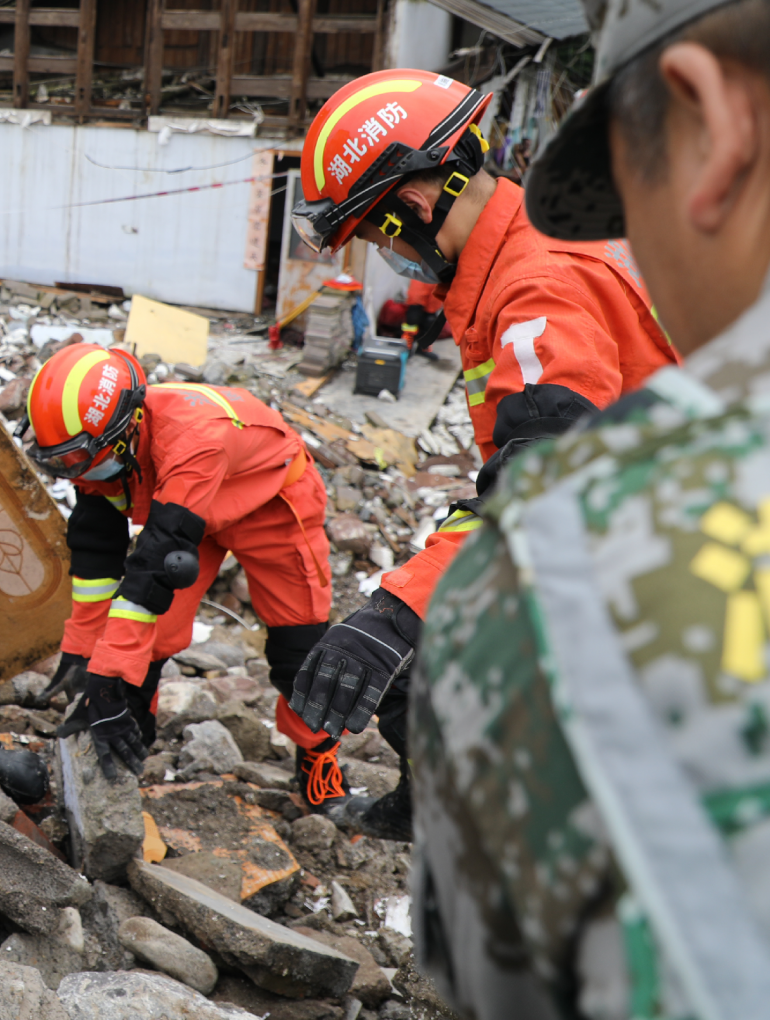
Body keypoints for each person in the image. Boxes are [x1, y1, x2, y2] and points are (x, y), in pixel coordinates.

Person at [410, 0, 770, 1011]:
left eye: (633, 195)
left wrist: (416, 610)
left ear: (710, 125)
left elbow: (536, 474)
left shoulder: (581, 589)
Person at [283, 66, 677, 840]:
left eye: (375, 234)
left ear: (412, 205)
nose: (383, 253)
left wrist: (396, 613)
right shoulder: (530, 243)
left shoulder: (540, 286)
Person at [24, 344, 348, 807]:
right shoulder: (94, 447)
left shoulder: (194, 440)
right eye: (59, 461)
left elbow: (154, 565)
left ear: (126, 431)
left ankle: (318, 758)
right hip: (184, 511)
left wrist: (108, 672)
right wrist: (82, 650)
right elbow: (97, 552)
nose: (71, 472)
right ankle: (128, 736)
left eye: (74, 459)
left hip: (271, 502)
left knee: (299, 648)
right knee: (149, 638)